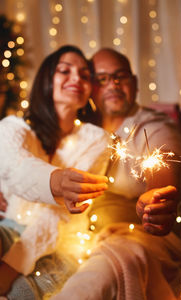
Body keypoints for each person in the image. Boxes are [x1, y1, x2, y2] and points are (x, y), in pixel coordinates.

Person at [51, 49, 181, 300]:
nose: (114, 84)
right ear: (90, 89)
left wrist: (157, 200)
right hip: (79, 236)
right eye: (102, 79)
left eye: (121, 76)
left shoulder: (153, 127)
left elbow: (163, 162)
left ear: (135, 84)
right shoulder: (79, 129)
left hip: (136, 238)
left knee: (95, 279)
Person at [0, 45, 110, 298]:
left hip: (62, 246)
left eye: (84, 75)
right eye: (64, 71)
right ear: (47, 80)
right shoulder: (13, 127)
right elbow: (16, 167)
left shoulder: (97, 140)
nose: (76, 79)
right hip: (10, 227)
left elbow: (60, 216)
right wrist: (56, 181)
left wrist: (11, 267)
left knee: (21, 294)